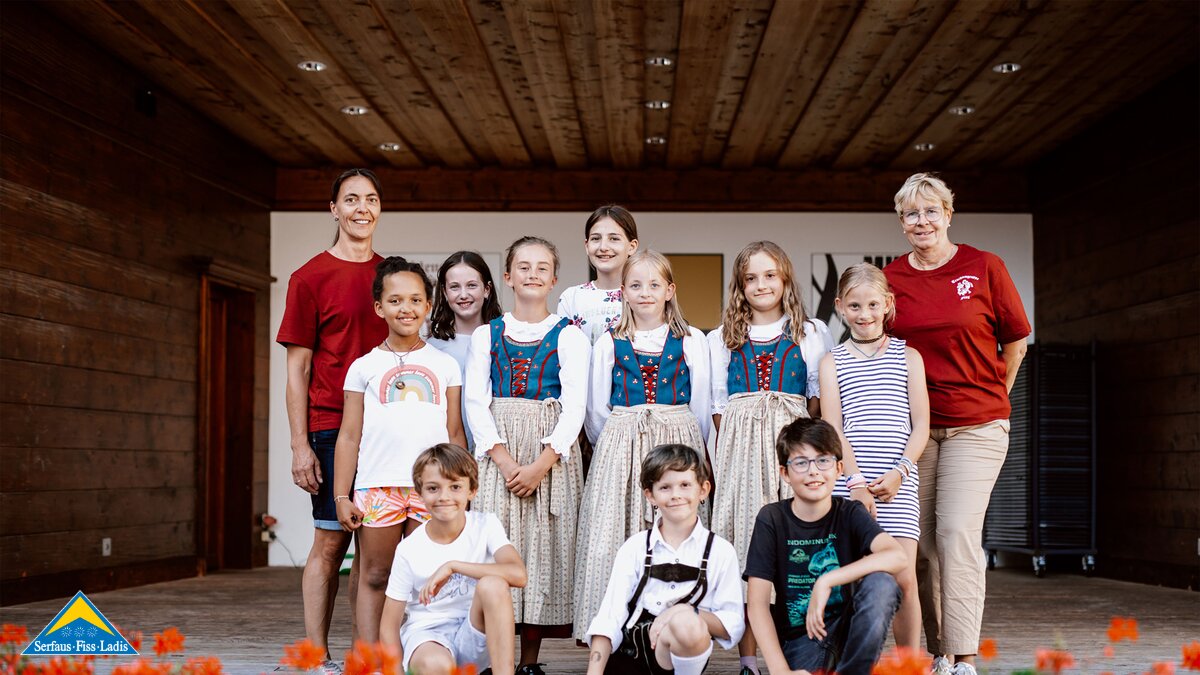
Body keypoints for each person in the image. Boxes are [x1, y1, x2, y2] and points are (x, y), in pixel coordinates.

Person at [882, 173, 1030, 675]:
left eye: (930, 211)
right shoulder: (891, 280)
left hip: (977, 426)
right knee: (919, 543)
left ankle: (964, 656)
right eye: (910, 214)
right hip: (917, 430)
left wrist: (995, 397)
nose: (921, 221)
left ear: (948, 214)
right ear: (901, 223)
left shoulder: (984, 267)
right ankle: (939, 650)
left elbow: (1015, 342)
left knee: (956, 533)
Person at [276, 168, 386, 671]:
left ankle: (366, 656)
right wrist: (300, 445)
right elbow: (297, 370)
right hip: (329, 427)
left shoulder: (392, 277)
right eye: (351, 199)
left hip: (387, 431)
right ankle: (314, 659)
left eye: (370, 199)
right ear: (334, 210)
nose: (362, 208)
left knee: (374, 550)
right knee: (329, 543)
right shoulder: (308, 278)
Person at [464, 236, 590, 674]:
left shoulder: (570, 336)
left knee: (542, 552)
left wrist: (540, 464)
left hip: (547, 454)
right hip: (499, 450)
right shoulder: (487, 334)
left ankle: (531, 661)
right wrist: (501, 460)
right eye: (523, 266)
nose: (532, 274)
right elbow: (475, 404)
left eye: (542, 268)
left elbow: (576, 405)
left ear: (554, 279)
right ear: (507, 276)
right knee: (496, 549)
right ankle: (490, 655)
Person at [707, 241, 833, 675]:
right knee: (747, 547)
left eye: (770, 275)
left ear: (785, 280)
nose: (761, 284)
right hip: (741, 455)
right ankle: (747, 659)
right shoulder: (720, 338)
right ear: (740, 286)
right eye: (751, 277)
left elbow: (816, 403)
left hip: (791, 449)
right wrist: (743, 446)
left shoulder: (811, 332)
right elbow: (718, 408)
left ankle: (799, 649)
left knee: (796, 546)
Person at [574, 250, 712, 641]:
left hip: (676, 434)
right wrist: (623, 438)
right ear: (623, 292)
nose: (645, 292)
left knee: (673, 529)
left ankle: (673, 628)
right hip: (622, 444)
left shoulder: (691, 340)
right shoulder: (608, 343)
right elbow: (596, 411)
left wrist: (689, 445)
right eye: (636, 285)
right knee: (614, 531)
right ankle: (614, 629)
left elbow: (700, 406)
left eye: (654, 285)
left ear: (670, 290)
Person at [333, 256, 467, 642]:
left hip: (432, 487)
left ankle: (421, 654)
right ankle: (374, 660)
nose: (405, 308)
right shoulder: (363, 367)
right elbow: (349, 435)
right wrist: (342, 495)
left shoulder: (445, 365)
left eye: (414, 300)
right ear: (379, 307)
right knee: (376, 575)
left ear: (428, 305)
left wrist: (457, 490)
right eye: (394, 300)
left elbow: (453, 431)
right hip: (378, 485)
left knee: (425, 575)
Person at [818, 262, 929, 650]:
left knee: (903, 577)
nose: (863, 315)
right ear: (839, 307)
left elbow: (921, 426)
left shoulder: (908, 357)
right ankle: (858, 659)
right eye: (854, 306)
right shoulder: (833, 363)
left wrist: (900, 472)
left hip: (898, 485)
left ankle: (907, 661)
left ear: (887, 305)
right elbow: (834, 428)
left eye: (872, 305)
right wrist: (856, 484)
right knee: (853, 576)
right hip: (852, 486)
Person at [745, 418, 905, 675]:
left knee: (882, 583)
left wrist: (827, 580)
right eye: (801, 462)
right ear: (784, 472)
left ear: (839, 468)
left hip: (851, 632)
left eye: (823, 460)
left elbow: (897, 556)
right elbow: (757, 604)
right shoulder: (772, 518)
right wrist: (780, 672)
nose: (813, 471)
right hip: (803, 639)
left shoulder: (849, 512)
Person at [585, 444, 744, 675]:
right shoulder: (635, 547)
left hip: (682, 655)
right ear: (650, 495)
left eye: (685, 485)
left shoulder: (721, 551)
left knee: (686, 624)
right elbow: (609, 617)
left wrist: (680, 613)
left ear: (703, 490)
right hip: (630, 657)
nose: (676, 495)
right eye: (665, 487)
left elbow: (732, 624)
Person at [380, 443, 528, 675]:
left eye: (455, 486)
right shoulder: (409, 549)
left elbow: (518, 574)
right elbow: (389, 626)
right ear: (419, 493)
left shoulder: (486, 525)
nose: (444, 497)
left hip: (475, 631)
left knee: (493, 583)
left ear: (472, 491)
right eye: (433, 488)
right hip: (428, 637)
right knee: (437, 665)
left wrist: (453, 566)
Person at [427, 251, 504, 452]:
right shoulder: (432, 348)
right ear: (444, 292)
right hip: (449, 453)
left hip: (497, 450)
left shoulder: (504, 340)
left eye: (471, 285)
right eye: (454, 287)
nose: (463, 294)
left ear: (486, 289)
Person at [556, 205, 640, 344]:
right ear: (587, 246)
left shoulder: (645, 295)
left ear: (632, 246)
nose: (603, 247)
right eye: (596, 239)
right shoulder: (571, 298)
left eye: (614, 239)